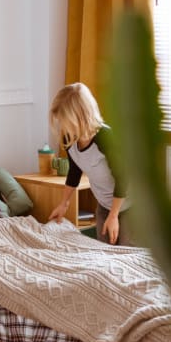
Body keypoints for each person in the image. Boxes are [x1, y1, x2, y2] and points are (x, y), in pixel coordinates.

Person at [47, 82, 131, 245]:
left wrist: (114, 215)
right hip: (104, 204)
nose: (63, 127)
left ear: (81, 117)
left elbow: (123, 177)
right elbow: (74, 172)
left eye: (65, 122)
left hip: (130, 205)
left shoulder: (105, 137)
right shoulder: (70, 138)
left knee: (128, 253)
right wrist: (64, 203)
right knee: (103, 252)